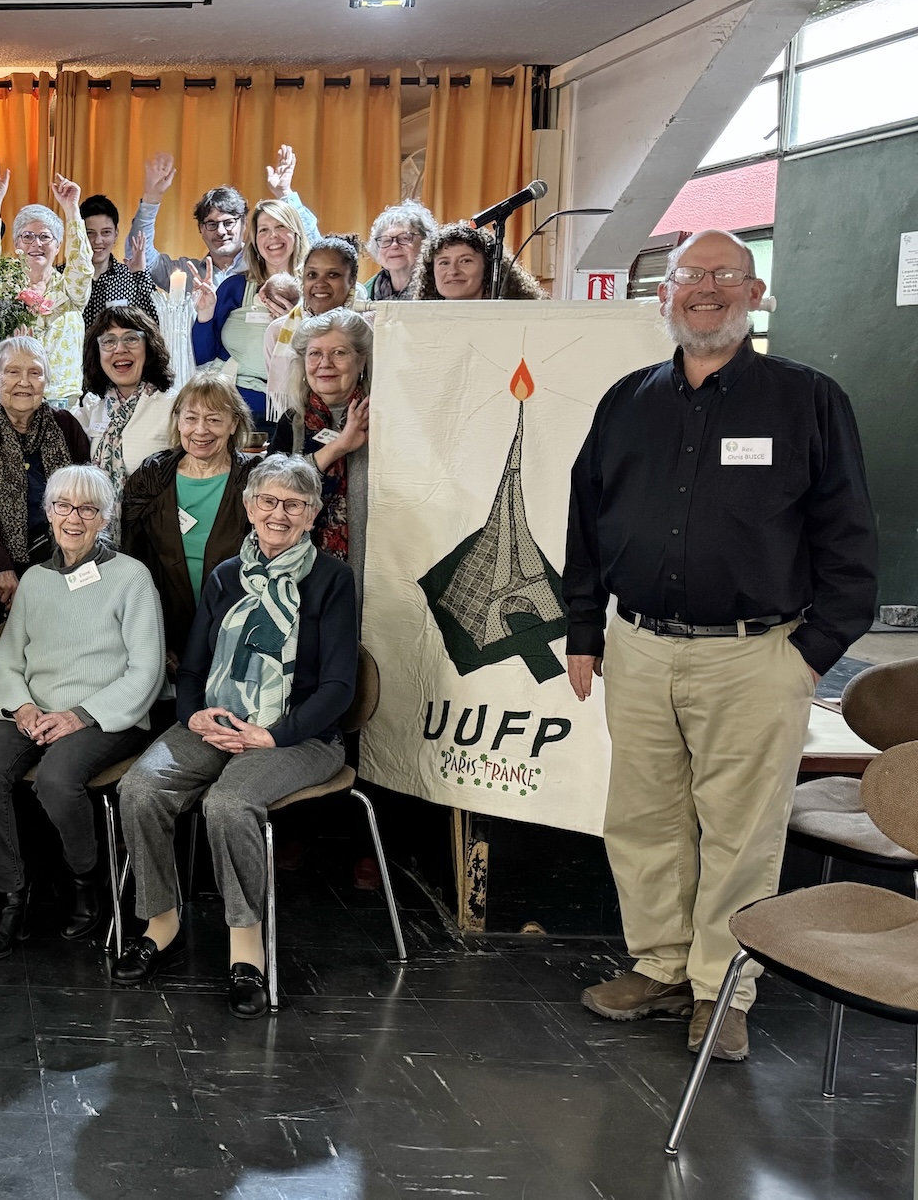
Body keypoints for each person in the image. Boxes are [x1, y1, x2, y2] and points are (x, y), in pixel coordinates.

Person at [563, 229, 876, 1064]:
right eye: (689, 276)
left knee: (741, 833)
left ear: (755, 292)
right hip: (638, 649)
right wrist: (585, 630)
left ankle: (723, 989)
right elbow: (586, 523)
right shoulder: (627, 400)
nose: (705, 289)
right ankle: (663, 967)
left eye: (724, 276)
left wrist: (811, 650)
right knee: (644, 822)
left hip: (757, 655)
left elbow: (849, 539)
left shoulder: (807, 399)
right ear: (664, 294)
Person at [113, 454, 357, 1020]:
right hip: (220, 719)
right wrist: (196, 715)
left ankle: (246, 948)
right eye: (267, 501)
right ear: (249, 508)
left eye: (293, 504)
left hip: (301, 734)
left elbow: (341, 686)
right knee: (141, 788)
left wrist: (272, 735)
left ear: (312, 516)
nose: (278, 513)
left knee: (227, 803)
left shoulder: (332, 579)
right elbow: (194, 668)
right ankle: (160, 921)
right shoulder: (226, 576)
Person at [0, 464, 164, 958]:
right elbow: (9, 656)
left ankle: (86, 880)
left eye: (88, 508)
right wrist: (25, 707)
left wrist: (81, 714)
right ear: (48, 512)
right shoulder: (34, 579)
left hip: (107, 715)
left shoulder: (131, 577)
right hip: (38, 710)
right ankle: (12, 894)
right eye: (63, 506)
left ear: (105, 518)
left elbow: (147, 670)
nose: (73, 518)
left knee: (57, 778)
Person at [120, 371, 263, 663]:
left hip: (238, 638)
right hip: (165, 637)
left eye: (213, 419)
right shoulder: (152, 476)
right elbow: (133, 560)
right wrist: (152, 639)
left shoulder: (254, 480)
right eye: (191, 418)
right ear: (178, 420)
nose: (200, 430)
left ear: (234, 423)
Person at [0, 337, 92, 603]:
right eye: (12, 372)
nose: (24, 382)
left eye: (35, 372)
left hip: (63, 559)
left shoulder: (66, 425)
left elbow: (86, 496)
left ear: (46, 381)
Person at [0, 157, 92, 403]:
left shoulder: (71, 290)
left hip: (58, 399)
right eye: (27, 236)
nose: (36, 244)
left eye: (45, 237)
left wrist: (72, 210)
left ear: (59, 246)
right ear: (16, 244)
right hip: (3, 398)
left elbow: (82, 265)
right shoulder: (3, 287)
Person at [124, 147, 321, 291]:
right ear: (201, 229)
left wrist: (285, 193)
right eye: (211, 224)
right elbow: (140, 258)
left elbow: (317, 251)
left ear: (244, 223)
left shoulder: (268, 263)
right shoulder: (186, 274)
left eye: (228, 223)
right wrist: (150, 199)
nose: (220, 231)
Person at [270, 308, 372, 577]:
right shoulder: (292, 422)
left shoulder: (382, 419)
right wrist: (340, 446)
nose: (325, 363)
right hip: (302, 568)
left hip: (375, 565)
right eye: (315, 354)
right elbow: (274, 492)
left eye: (339, 353)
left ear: (360, 361)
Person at [194, 199, 313, 423]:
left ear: (296, 233)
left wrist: (294, 324)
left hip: (295, 411)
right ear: (255, 240)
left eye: (281, 227)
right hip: (233, 408)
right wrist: (206, 312)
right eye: (264, 230)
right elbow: (202, 356)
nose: (273, 236)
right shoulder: (234, 288)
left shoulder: (314, 292)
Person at [76, 304, 176, 541]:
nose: (119, 349)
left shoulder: (173, 407)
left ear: (148, 348)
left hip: (158, 536)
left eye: (131, 339)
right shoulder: (91, 409)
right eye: (108, 342)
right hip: (99, 537)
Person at [262, 237, 368, 425]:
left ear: (351, 281)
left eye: (332, 275)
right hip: (297, 429)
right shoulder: (278, 331)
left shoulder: (371, 328)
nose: (320, 283)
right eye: (312, 275)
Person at [80, 195, 158, 331]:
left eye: (106, 232)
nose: (97, 241)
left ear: (116, 234)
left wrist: (140, 274)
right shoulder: (64, 276)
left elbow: (155, 324)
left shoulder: (131, 277)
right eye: (90, 233)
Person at [413, 222, 546, 300]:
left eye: (465, 261)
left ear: (488, 268)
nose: (453, 271)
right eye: (444, 263)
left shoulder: (518, 319)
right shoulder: (414, 324)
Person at [362, 201, 438, 301]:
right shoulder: (363, 293)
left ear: (426, 243)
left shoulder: (441, 287)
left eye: (404, 238)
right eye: (386, 240)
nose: (394, 245)